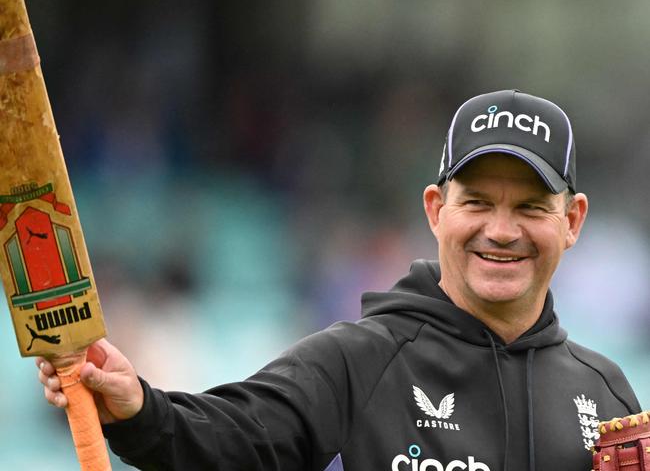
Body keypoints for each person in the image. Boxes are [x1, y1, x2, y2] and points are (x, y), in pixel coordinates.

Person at [38, 90, 640, 471]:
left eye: (531, 208)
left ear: (572, 221)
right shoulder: (358, 362)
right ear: (435, 210)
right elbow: (231, 441)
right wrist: (138, 407)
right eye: (477, 203)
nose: (501, 231)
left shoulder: (609, 397)